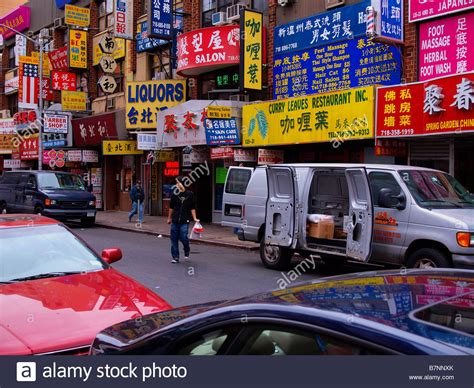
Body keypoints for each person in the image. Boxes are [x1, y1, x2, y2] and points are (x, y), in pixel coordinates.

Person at [167, 176, 199, 264]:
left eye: (178, 182)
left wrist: (195, 218)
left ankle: (186, 248)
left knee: (184, 237)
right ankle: (175, 257)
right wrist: (169, 218)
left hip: (185, 221)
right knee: (174, 239)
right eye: (176, 183)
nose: (177, 185)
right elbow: (171, 207)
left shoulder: (190, 195)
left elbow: (192, 208)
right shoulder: (174, 195)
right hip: (175, 220)